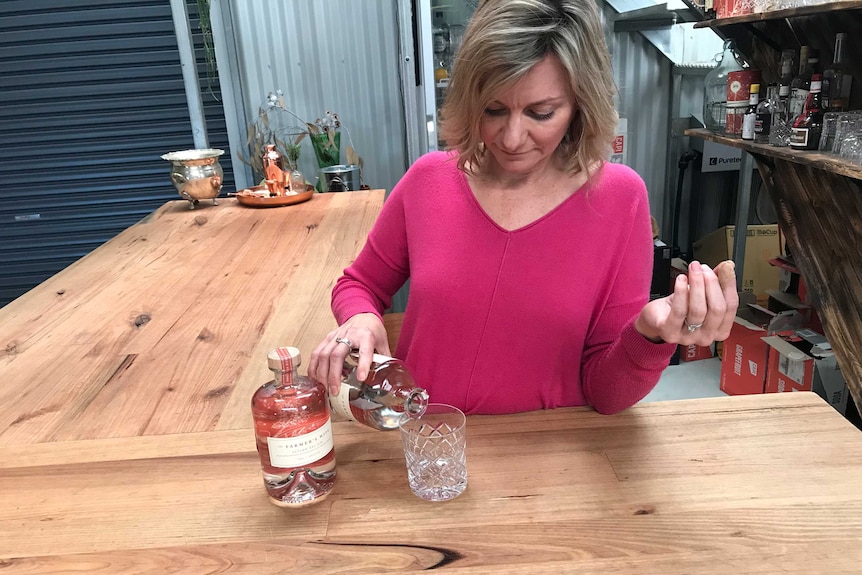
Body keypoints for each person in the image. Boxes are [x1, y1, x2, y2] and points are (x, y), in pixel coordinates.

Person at [308, 0, 739, 415]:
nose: (512, 138)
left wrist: (649, 334)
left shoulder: (618, 199)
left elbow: (607, 396)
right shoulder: (429, 181)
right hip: (427, 446)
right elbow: (359, 283)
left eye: (541, 112)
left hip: (544, 464)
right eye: (494, 109)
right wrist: (361, 320)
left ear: (578, 105)